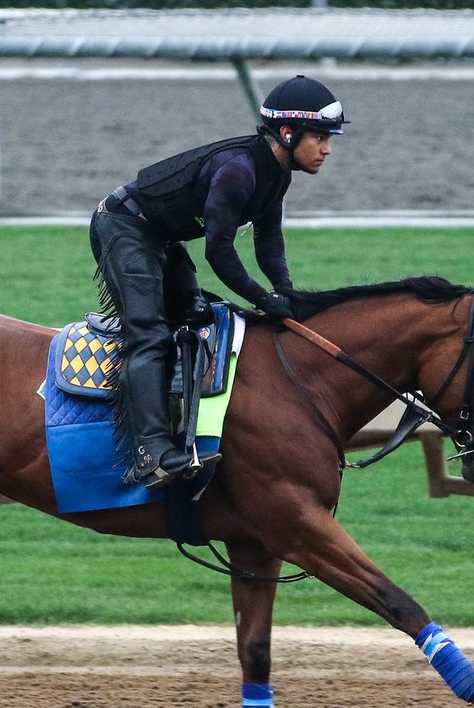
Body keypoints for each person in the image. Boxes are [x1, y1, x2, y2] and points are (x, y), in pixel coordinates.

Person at [89, 74, 347, 490]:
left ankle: (185, 427)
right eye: (320, 137)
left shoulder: (277, 172)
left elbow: (269, 241)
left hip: (161, 235)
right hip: (123, 227)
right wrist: (264, 298)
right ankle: (150, 455)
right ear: (287, 132)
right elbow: (219, 252)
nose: (327, 149)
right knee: (149, 334)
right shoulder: (238, 171)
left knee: (195, 316)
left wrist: (287, 294)